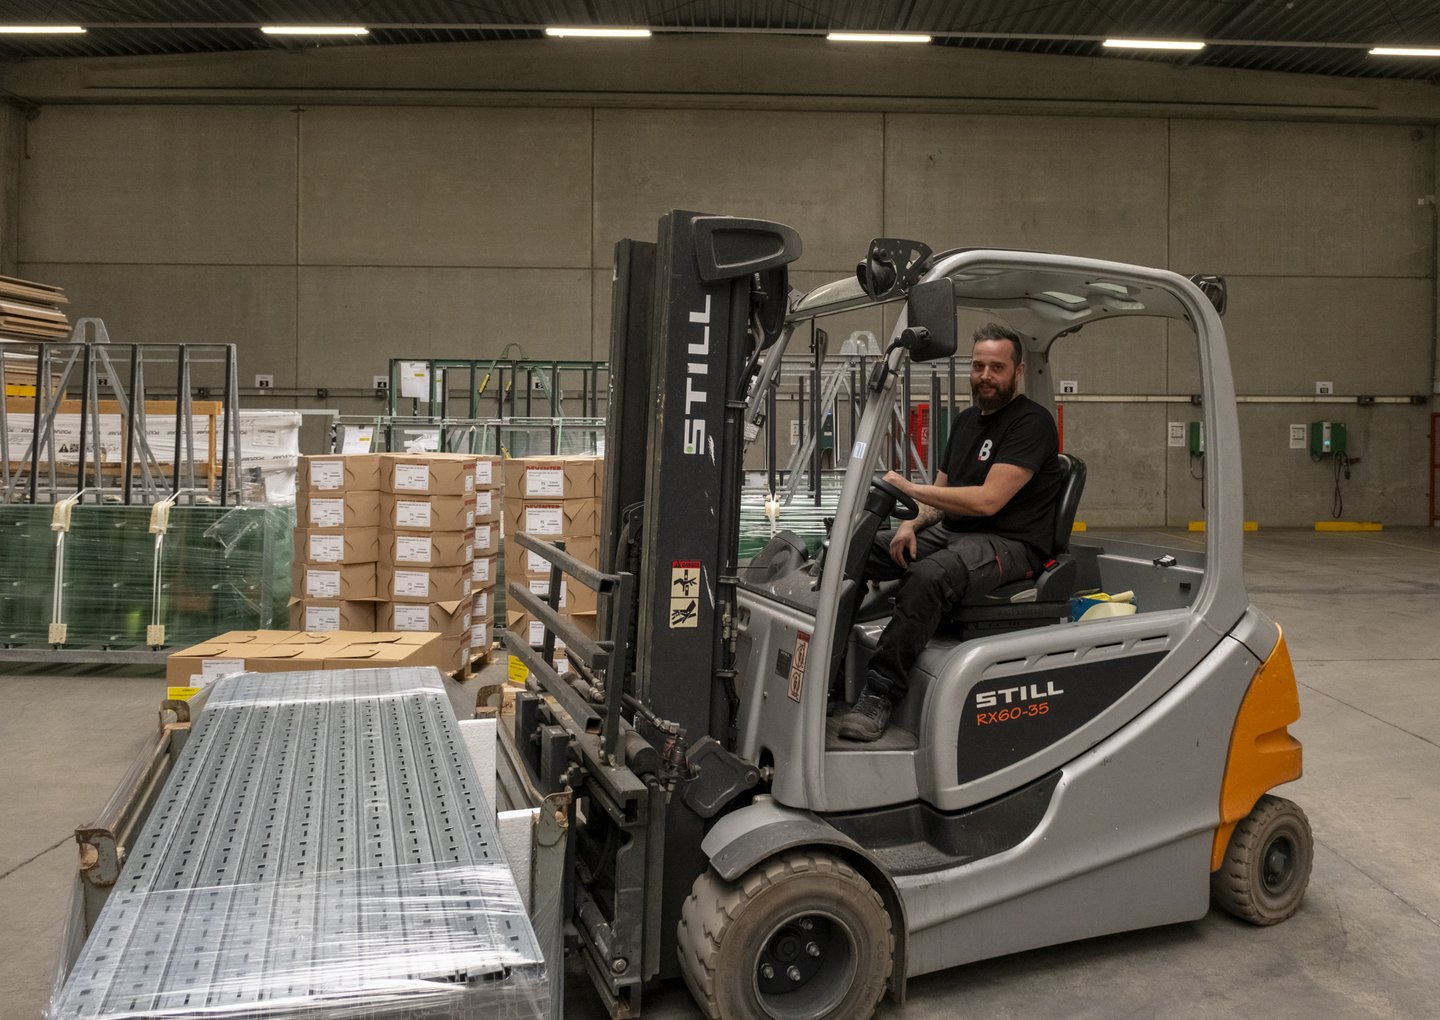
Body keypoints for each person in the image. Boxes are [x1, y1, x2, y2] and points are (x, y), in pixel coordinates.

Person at [837, 322, 1066, 742]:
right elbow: (940, 496)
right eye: (978, 366)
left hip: (1010, 544)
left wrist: (909, 488)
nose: (985, 376)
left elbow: (988, 501)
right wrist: (910, 523)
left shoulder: (1031, 423)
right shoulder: (964, 422)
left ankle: (879, 693)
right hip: (955, 534)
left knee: (929, 575)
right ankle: (829, 665)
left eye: (996, 367)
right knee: (852, 550)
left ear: (1017, 371)